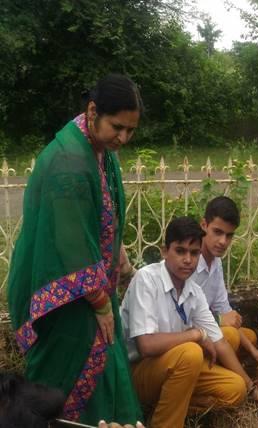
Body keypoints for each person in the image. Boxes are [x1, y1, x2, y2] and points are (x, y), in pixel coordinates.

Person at [7, 74, 143, 424]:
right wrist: (100, 303)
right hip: (67, 292)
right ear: (93, 110)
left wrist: (117, 249)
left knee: (106, 364)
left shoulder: (96, 148)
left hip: (92, 285)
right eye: (118, 127)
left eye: (131, 130)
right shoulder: (68, 161)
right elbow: (70, 241)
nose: (123, 138)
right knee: (67, 369)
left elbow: (97, 215)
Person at [120, 216, 258, 428]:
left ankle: (168, 404)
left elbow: (219, 341)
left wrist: (250, 387)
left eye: (194, 253)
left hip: (173, 366)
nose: (188, 259)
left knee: (235, 389)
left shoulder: (192, 290)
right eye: (180, 251)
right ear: (164, 251)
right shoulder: (146, 279)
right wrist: (196, 334)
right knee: (191, 352)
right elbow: (146, 345)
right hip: (137, 372)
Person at [191, 196, 258, 371]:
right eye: (217, 232)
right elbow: (180, 319)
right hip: (186, 339)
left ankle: (219, 370)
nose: (223, 242)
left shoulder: (216, 262)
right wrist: (219, 320)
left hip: (208, 331)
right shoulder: (189, 262)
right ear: (204, 225)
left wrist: (254, 352)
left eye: (229, 235)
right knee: (231, 336)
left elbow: (225, 312)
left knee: (249, 337)